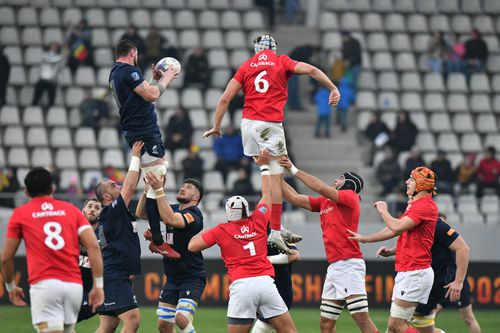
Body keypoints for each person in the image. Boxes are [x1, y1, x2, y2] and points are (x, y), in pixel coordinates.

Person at [204, 33, 340, 253]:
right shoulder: (281, 61)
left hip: (247, 125)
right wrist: (333, 88)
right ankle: (274, 231)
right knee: (275, 179)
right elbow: (312, 70)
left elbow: (225, 98)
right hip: (269, 124)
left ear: (256, 49)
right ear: (274, 48)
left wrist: (217, 126)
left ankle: (277, 226)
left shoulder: (246, 66)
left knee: (268, 177)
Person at [188, 149, 298, 333]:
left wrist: (208, 231)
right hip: (265, 283)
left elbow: (192, 246)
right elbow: (268, 195)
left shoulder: (221, 230)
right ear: (247, 210)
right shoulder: (259, 220)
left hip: (242, 285)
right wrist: (263, 166)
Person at [278, 157, 379, 333]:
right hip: (335, 267)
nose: (335, 180)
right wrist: (273, 174)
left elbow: (319, 187)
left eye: (340, 178)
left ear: (349, 183)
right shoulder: (326, 201)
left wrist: (293, 169)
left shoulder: (350, 197)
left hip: (349, 265)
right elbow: (294, 198)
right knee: (326, 324)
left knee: (362, 320)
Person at [1, 167, 104, 333]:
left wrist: (10, 287)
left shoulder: (21, 214)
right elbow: (93, 246)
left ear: (26, 192)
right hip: (74, 286)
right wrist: (98, 285)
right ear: (52, 189)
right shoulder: (72, 210)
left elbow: (5, 257)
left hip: (45, 283)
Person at [348, 166, 438, 333]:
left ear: (422, 183)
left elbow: (395, 227)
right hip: (409, 270)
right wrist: (366, 239)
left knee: (397, 326)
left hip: (415, 271)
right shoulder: (416, 205)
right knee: (392, 328)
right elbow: (394, 230)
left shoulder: (425, 206)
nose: (406, 182)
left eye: (411, 179)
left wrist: (383, 210)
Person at [109, 39, 177, 257]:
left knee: (158, 176)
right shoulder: (128, 70)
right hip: (143, 131)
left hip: (141, 129)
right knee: (156, 178)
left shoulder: (116, 73)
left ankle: (150, 226)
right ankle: (156, 237)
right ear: (132, 52)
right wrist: (167, 78)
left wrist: (153, 80)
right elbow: (152, 95)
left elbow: (140, 96)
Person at [376, 210, 471, 333]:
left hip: (426, 283)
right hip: (418, 280)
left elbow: (463, 248)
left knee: (395, 325)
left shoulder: (440, 228)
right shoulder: (423, 227)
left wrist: (458, 282)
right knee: (414, 327)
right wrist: (390, 252)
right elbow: (411, 244)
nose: (409, 198)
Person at [137, 175, 205, 333]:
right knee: (164, 325)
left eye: (188, 188)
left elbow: (171, 220)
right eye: (183, 186)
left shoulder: (194, 215)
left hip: (192, 276)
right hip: (173, 278)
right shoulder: (172, 209)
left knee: (181, 318)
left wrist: (159, 189)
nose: (182, 188)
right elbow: (141, 213)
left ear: (196, 197)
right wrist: (148, 189)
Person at [94, 141, 143, 333]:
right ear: (106, 198)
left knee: (108, 325)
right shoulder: (110, 212)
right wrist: (136, 157)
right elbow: (130, 188)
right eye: (114, 185)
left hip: (114, 273)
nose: (119, 185)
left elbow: (131, 186)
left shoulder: (117, 213)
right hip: (114, 274)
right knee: (132, 320)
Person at [436, 213, 481, 333]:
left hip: (456, 284)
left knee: (469, 319)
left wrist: (458, 282)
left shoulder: (453, 242)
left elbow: (457, 263)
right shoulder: (439, 242)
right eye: (439, 222)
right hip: (444, 284)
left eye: (443, 222)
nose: (442, 225)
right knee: (427, 317)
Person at [251, 240, 300, 333]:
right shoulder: (253, 234)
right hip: (260, 290)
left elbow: (294, 255)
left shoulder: (281, 235)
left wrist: (264, 260)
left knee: (262, 328)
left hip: (280, 292)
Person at [76, 197, 103, 324]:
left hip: (92, 290)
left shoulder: (104, 235)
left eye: (97, 208)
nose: (92, 210)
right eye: (90, 206)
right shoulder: (71, 229)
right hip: (71, 285)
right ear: (83, 210)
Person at [32, 42, 65, 108]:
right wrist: (63, 56)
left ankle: (50, 114)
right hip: (43, 80)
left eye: (55, 47)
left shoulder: (59, 58)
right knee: (36, 98)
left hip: (52, 82)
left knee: (51, 101)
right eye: (52, 46)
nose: (54, 48)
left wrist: (60, 81)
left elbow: (60, 70)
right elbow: (51, 60)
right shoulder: (45, 55)